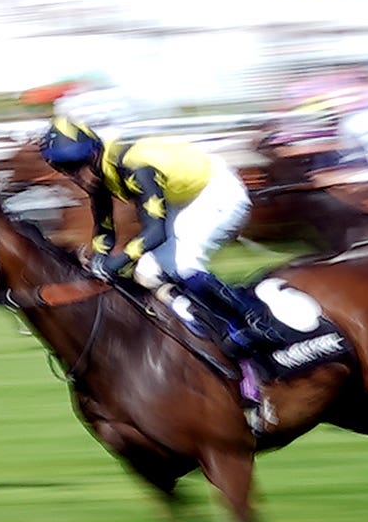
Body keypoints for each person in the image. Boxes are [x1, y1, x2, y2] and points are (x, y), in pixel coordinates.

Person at [39, 122, 273, 428]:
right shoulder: (100, 170)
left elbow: (156, 232)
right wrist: (98, 259)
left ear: (93, 153)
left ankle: (250, 321)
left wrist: (114, 263)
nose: (74, 175)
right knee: (149, 271)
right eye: (65, 168)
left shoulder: (134, 166)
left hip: (216, 190)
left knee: (174, 265)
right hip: (183, 193)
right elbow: (104, 228)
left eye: (76, 165)